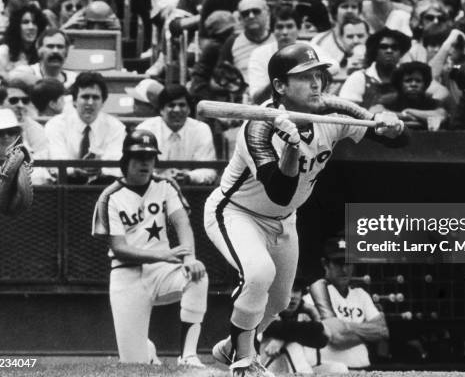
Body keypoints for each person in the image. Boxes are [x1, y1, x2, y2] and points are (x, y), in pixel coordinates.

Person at [204, 43, 406, 377]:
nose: (316, 84)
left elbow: (398, 141)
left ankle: (230, 346)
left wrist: (389, 124)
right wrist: (293, 147)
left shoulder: (328, 115)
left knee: (280, 301)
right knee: (258, 274)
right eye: (304, 77)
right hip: (236, 212)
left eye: (318, 75)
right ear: (280, 86)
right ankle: (243, 361)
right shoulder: (257, 127)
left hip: (284, 220)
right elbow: (280, 191)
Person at [91, 129, 208, 366]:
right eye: (138, 157)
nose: (145, 163)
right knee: (134, 365)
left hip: (163, 271)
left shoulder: (165, 185)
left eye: (150, 157)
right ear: (126, 160)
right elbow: (119, 247)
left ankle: (188, 356)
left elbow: (182, 223)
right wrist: (162, 254)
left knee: (198, 276)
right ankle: (145, 348)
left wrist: (189, 258)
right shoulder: (110, 196)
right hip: (127, 274)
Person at [303, 237, 389, 370]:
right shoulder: (315, 295)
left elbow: (382, 331)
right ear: (325, 263)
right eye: (338, 263)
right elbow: (337, 339)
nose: (344, 269)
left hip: (363, 369)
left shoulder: (361, 294)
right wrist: (367, 329)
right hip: (330, 370)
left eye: (348, 263)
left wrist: (345, 327)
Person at [45, 71, 125, 184]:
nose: (90, 102)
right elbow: (57, 162)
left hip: (102, 187)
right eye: (85, 97)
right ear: (74, 101)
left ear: (103, 102)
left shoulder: (116, 127)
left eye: (96, 97)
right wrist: (75, 171)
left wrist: (99, 169)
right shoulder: (56, 125)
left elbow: (114, 167)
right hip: (66, 186)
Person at [136, 84, 217, 185]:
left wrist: (188, 177)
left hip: (191, 190)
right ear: (161, 110)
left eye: (182, 105)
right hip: (151, 187)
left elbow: (208, 171)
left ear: (189, 109)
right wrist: (160, 177)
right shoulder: (145, 129)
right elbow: (136, 168)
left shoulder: (201, 129)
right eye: (171, 105)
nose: (177, 110)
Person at [339, 27, 412, 109]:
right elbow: (346, 111)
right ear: (374, 51)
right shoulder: (359, 78)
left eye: (394, 47)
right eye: (383, 47)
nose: (389, 51)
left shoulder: (409, 79)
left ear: (401, 53)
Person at [0, 108, 52, 185]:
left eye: (11, 132)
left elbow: (41, 184)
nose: (6, 136)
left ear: (17, 135)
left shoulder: (32, 158)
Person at [0, 77, 49, 160]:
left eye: (25, 100)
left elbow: (42, 158)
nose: (21, 105)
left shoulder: (35, 127)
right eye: (14, 100)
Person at [0, 4, 48, 73]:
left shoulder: (44, 51)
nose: (31, 27)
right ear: (16, 26)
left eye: (35, 23)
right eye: (25, 22)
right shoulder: (3, 51)